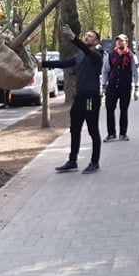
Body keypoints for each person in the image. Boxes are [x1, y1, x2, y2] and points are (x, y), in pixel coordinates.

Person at [40, 25, 105, 174]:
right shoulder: (80, 56)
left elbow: (87, 51)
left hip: (91, 98)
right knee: (74, 129)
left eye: (90, 36)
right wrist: (43, 64)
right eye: (86, 35)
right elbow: (64, 63)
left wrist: (74, 38)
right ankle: (72, 161)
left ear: (96, 41)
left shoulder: (97, 55)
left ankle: (94, 162)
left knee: (93, 130)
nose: (87, 37)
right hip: (79, 98)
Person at [102, 34, 139, 142]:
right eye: (117, 41)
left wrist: (137, 88)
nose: (119, 42)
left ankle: (123, 133)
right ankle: (111, 134)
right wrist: (103, 85)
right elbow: (105, 71)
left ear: (126, 43)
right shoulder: (110, 55)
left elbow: (136, 72)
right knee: (110, 109)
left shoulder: (131, 56)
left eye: (121, 41)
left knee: (124, 110)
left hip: (125, 86)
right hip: (112, 86)